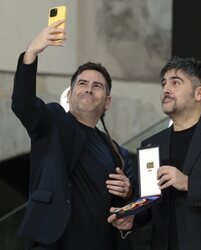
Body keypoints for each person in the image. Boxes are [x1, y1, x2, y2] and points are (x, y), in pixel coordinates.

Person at [12, 20, 134, 250]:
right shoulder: (52, 121)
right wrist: (32, 52)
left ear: (107, 101)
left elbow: (126, 210)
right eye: (82, 83)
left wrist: (128, 192)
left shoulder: (118, 153)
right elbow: (22, 104)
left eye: (97, 86)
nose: (89, 88)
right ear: (70, 94)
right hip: (52, 243)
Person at [108, 56, 201, 250]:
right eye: (164, 83)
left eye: (175, 83)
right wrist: (132, 217)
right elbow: (151, 200)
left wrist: (188, 184)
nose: (166, 89)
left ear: (199, 93)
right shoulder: (151, 143)